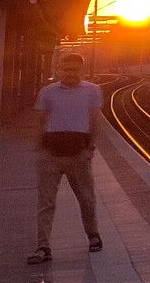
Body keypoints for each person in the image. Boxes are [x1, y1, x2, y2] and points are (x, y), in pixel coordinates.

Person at [27, 52, 102, 264]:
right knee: (46, 202)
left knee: (87, 198)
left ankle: (93, 235)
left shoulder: (93, 91)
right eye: (66, 69)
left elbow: (95, 121)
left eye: (74, 69)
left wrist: (90, 148)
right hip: (51, 154)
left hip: (79, 153)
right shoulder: (48, 92)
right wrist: (39, 149)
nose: (70, 73)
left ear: (82, 70)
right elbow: (40, 121)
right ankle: (43, 246)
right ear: (59, 69)